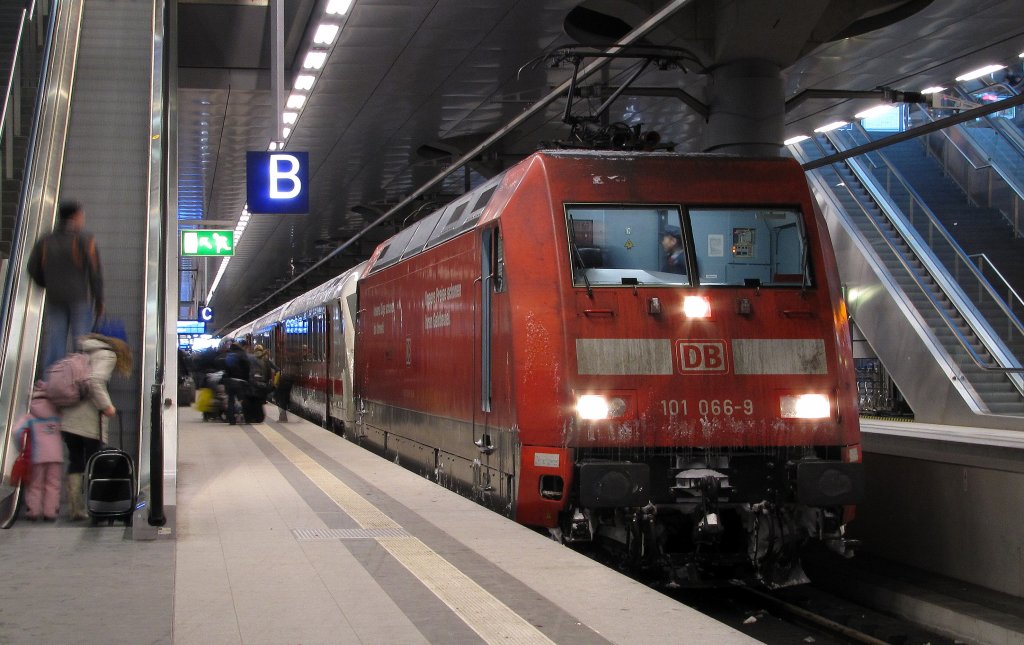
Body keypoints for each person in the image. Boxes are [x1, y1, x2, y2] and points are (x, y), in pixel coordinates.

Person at [60, 325, 132, 521]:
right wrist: (107, 406)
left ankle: (76, 508)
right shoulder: (107, 355)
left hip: (68, 415)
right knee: (94, 461)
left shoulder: (83, 350)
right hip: (89, 419)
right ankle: (94, 505)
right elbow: (95, 381)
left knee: (76, 460)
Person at [27, 201, 105, 370]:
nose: (82, 220)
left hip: (55, 298)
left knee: (56, 342)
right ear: (75, 217)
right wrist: (99, 301)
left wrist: (46, 283)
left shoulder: (45, 240)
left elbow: (32, 268)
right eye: (81, 216)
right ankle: (80, 382)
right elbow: (94, 273)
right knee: (82, 342)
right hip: (79, 298)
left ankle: (52, 384)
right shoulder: (85, 240)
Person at [13, 382, 64, 521]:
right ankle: (50, 512)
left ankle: (34, 512)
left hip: (37, 455)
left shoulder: (30, 416)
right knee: (53, 484)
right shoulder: (57, 413)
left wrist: (20, 447)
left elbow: (16, 431)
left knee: (35, 484)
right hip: (55, 456)